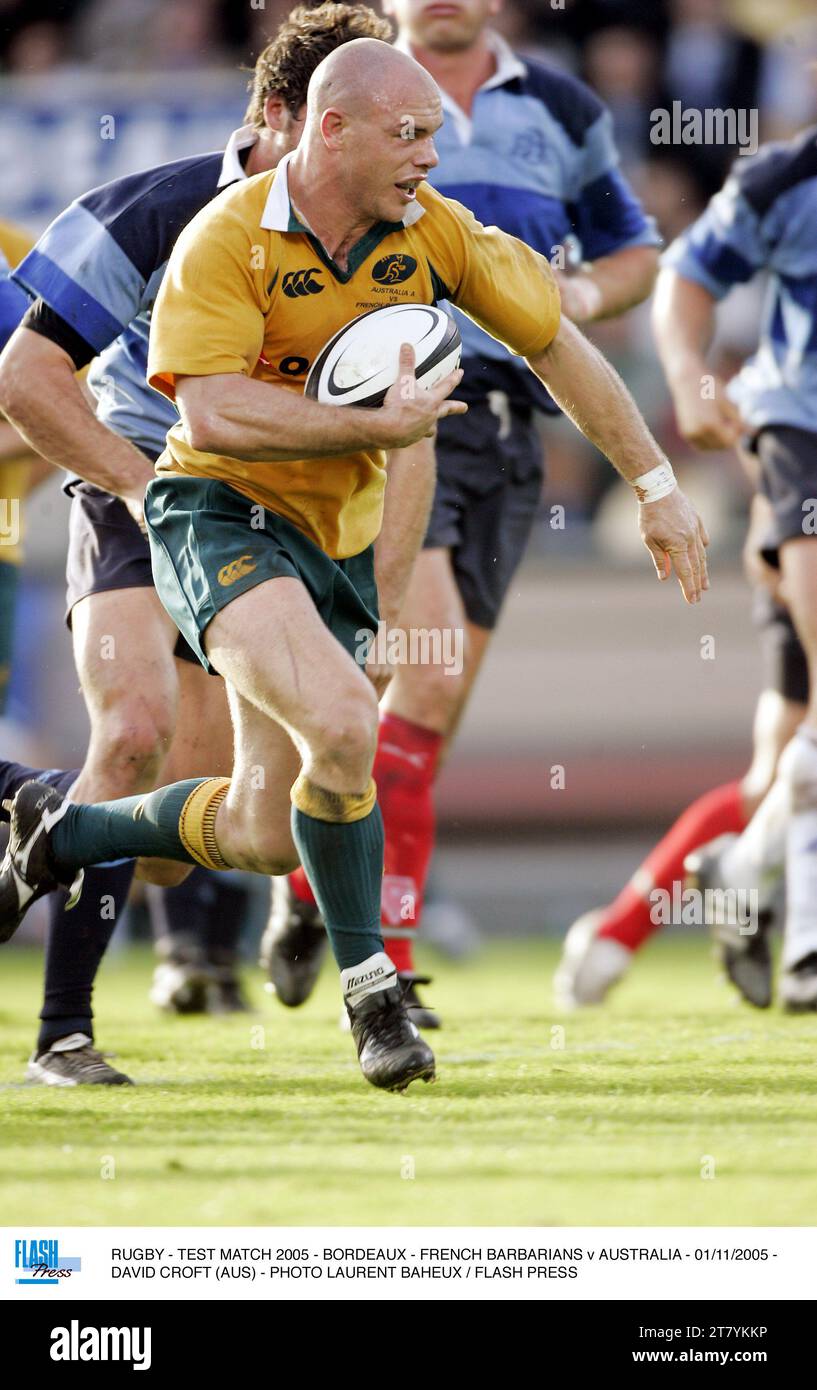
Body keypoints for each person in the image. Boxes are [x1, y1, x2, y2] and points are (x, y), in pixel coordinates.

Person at [0, 38, 707, 1093]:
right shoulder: (212, 233)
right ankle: (362, 995)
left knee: (257, 826)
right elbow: (208, 409)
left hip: (328, 529)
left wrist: (654, 487)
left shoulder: (432, 231)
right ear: (317, 123)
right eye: (410, 133)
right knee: (303, 725)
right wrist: (371, 423)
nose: (433, 154)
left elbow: (557, 341)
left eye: (435, 131)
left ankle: (55, 824)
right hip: (201, 502)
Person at [0, 3, 397, 1085]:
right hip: (140, 486)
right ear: (278, 113)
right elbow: (26, 373)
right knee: (127, 733)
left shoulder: (386, 235)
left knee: (186, 846)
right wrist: (134, 483)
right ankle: (63, 1037)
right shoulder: (157, 207)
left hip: (267, 524)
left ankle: (35, 804)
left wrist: (381, 596)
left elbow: (406, 431)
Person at [265, 0, 662, 1027]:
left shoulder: (562, 106)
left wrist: (565, 302)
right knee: (419, 675)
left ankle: (316, 889)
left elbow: (635, 251)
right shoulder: (353, 93)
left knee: (428, 707)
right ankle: (383, 960)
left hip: (512, 426)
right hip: (388, 420)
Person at [560, 121, 817, 1013]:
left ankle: (705, 887)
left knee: (783, 769)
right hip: (799, 451)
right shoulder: (786, 177)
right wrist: (688, 378)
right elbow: (686, 278)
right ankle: (805, 955)